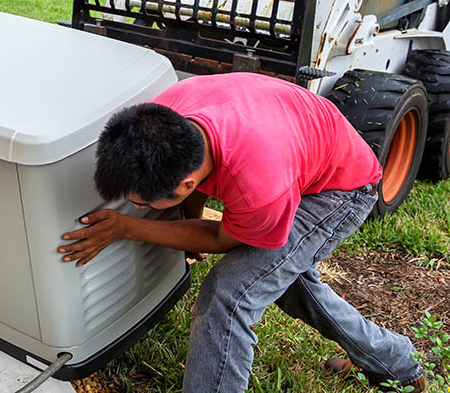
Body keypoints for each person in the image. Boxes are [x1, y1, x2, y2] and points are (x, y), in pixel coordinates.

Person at [57, 73, 424, 393]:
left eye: (141, 202)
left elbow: (222, 239)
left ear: (185, 184)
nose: (136, 207)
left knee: (230, 294)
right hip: (299, 147)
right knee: (285, 282)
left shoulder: (258, 187)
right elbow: (199, 182)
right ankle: (395, 361)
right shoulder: (163, 118)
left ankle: (395, 361)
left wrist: (130, 227)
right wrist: (187, 219)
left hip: (341, 190)